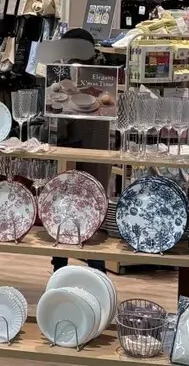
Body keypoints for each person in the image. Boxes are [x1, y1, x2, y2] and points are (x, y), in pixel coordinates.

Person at [49, 28, 107, 275]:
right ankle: (90, 267)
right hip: (89, 151)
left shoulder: (79, 78)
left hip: (81, 149)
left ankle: (78, 266)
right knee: (80, 204)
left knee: (74, 203)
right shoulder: (102, 77)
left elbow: (60, 123)